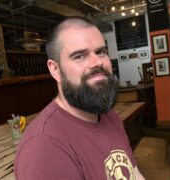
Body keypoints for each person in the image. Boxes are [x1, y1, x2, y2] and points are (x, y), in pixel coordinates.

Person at [15, 16, 145, 180]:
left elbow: (134, 174)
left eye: (101, 52)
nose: (97, 62)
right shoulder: (44, 148)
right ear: (55, 70)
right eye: (79, 56)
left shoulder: (108, 115)